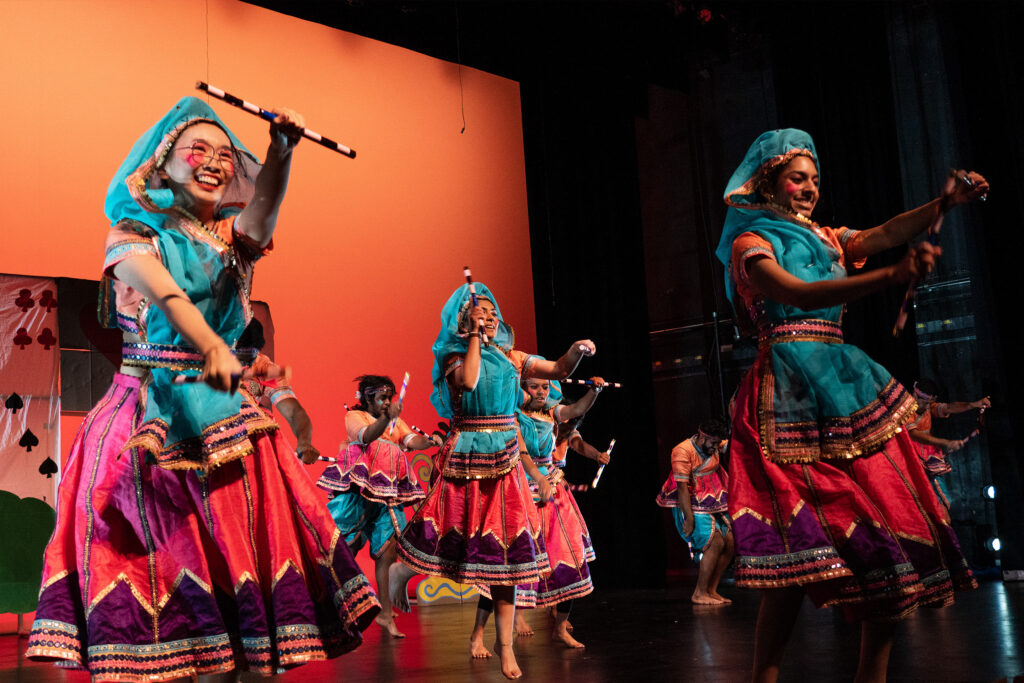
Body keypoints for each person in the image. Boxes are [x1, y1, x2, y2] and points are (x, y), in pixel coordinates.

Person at [26, 97, 379, 680]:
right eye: (200, 151)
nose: (215, 162)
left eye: (224, 154)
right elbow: (166, 294)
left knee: (233, 572)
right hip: (147, 419)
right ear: (162, 167)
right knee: (162, 570)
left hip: (225, 419)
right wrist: (212, 346)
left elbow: (260, 220)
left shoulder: (225, 246)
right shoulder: (134, 235)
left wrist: (280, 152)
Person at [716, 129, 986, 683]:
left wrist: (945, 203)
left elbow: (886, 232)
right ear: (770, 180)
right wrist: (894, 276)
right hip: (787, 393)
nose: (810, 188)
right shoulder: (751, 243)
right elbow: (798, 294)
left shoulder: (827, 237)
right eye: (798, 177)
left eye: (815, 179)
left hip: (844, 387)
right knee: (797, 564)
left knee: (886, 541)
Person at [397, 282, 594, 680]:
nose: (487, 315)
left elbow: (557, 369)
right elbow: (469, 382)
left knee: (508, 554)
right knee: (441, 537)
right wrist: (473, 337)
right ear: (463, 319)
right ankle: (399, 574)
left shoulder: (513, 357)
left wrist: (577, 351)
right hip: (468, 455)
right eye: (478, 311)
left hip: (506, 456)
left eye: (490, 311)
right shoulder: (455, 355)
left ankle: (505, 648)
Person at [471, 376, 605, 651]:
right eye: (535, 386)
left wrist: (595, 390)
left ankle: (559, 628)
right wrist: (539, 480)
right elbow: (522, 455)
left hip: (553, 491)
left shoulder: (551, 412)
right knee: (507, 568)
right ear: (523, 389)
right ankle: (477, 635)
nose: (541, 391)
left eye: (545, 386)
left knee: (569, 557)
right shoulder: (512, 416)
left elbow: (578, 409)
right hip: (521, 489)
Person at [316, 375, 442, 638]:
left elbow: (410, 441)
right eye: (381, 398)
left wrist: (429, 442)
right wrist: (387, 419)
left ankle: (385, 614)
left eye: (389, 398)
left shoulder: (396, 422)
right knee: (345, 549)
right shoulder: (356, 417)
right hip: (358, 492)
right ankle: (335, 608)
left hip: (388, 493)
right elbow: (367, 436)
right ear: (367, 398)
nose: (386, 402)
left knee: (388, 552)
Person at [655, 419, 734, 605]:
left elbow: (730, 446)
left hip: (714, 495)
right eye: (713, 443)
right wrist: (689, 518)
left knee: (730, 541)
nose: (716, 447)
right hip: (690, 498)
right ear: (701, 436)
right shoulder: (682, 451)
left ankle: (711, 590)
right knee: (714, 542)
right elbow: (682, 487)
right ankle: (699, 592)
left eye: (718, 443)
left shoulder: (713, 444)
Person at [905, 379, 991, 509]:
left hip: (926, 459)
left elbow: (949, 407)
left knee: (942, 502)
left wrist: (974, 404)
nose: (928, 406)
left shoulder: (927, 407)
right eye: (926, 403)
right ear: (915, 395)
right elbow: (914, 435)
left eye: (930, 403)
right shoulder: (904, 410)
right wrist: (946, 442)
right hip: (909, 458)